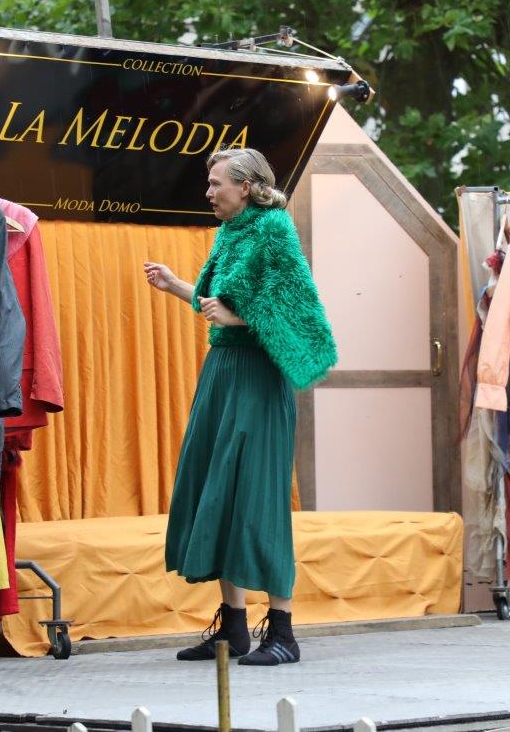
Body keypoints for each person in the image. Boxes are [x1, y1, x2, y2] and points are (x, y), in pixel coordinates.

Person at [143, 147, 336, 666]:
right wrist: (175, 285)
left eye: (216, 183)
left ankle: (283, 633)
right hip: (223, 373)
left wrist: (238, 318)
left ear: (246, 186)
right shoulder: (230, 232)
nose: (208, 192)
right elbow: (220, 305)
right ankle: (232, 629)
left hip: (257, 376)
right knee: (218, 490)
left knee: (257, 495)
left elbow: (295, 311)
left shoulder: (273, 230)